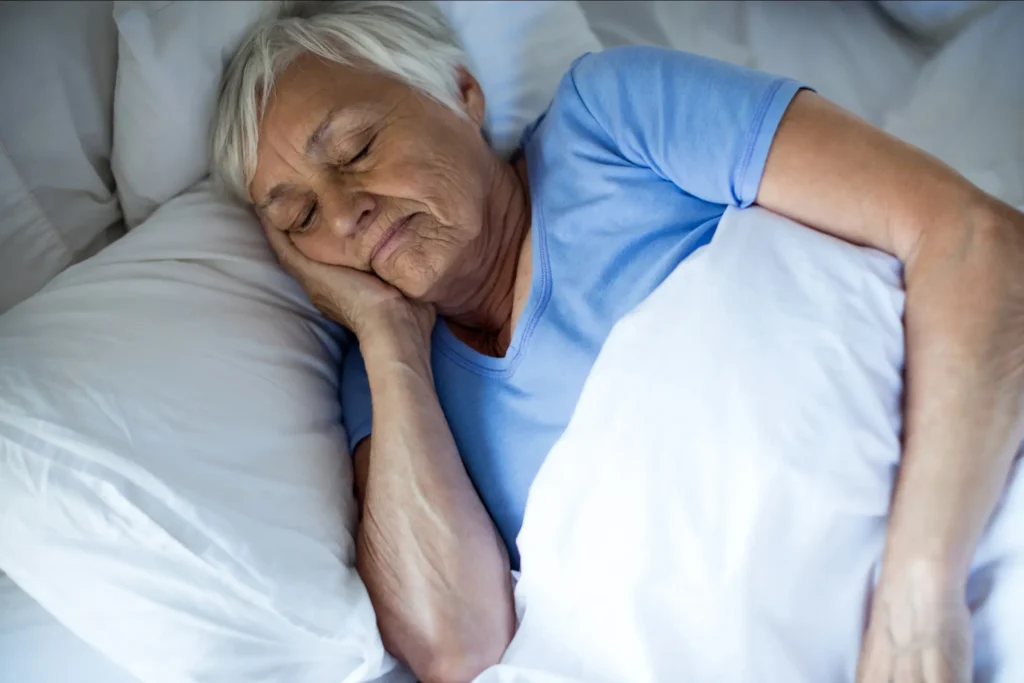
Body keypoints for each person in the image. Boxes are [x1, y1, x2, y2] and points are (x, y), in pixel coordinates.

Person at [210, 2, 1024, 682]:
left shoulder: (607, 121)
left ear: (461, 94)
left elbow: (968, 235)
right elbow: (456, 649)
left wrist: (922, 592)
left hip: (955, 537)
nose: (344, 211)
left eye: (356, 149)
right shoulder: (389, 389)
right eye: (300, 218)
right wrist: (389, 343)